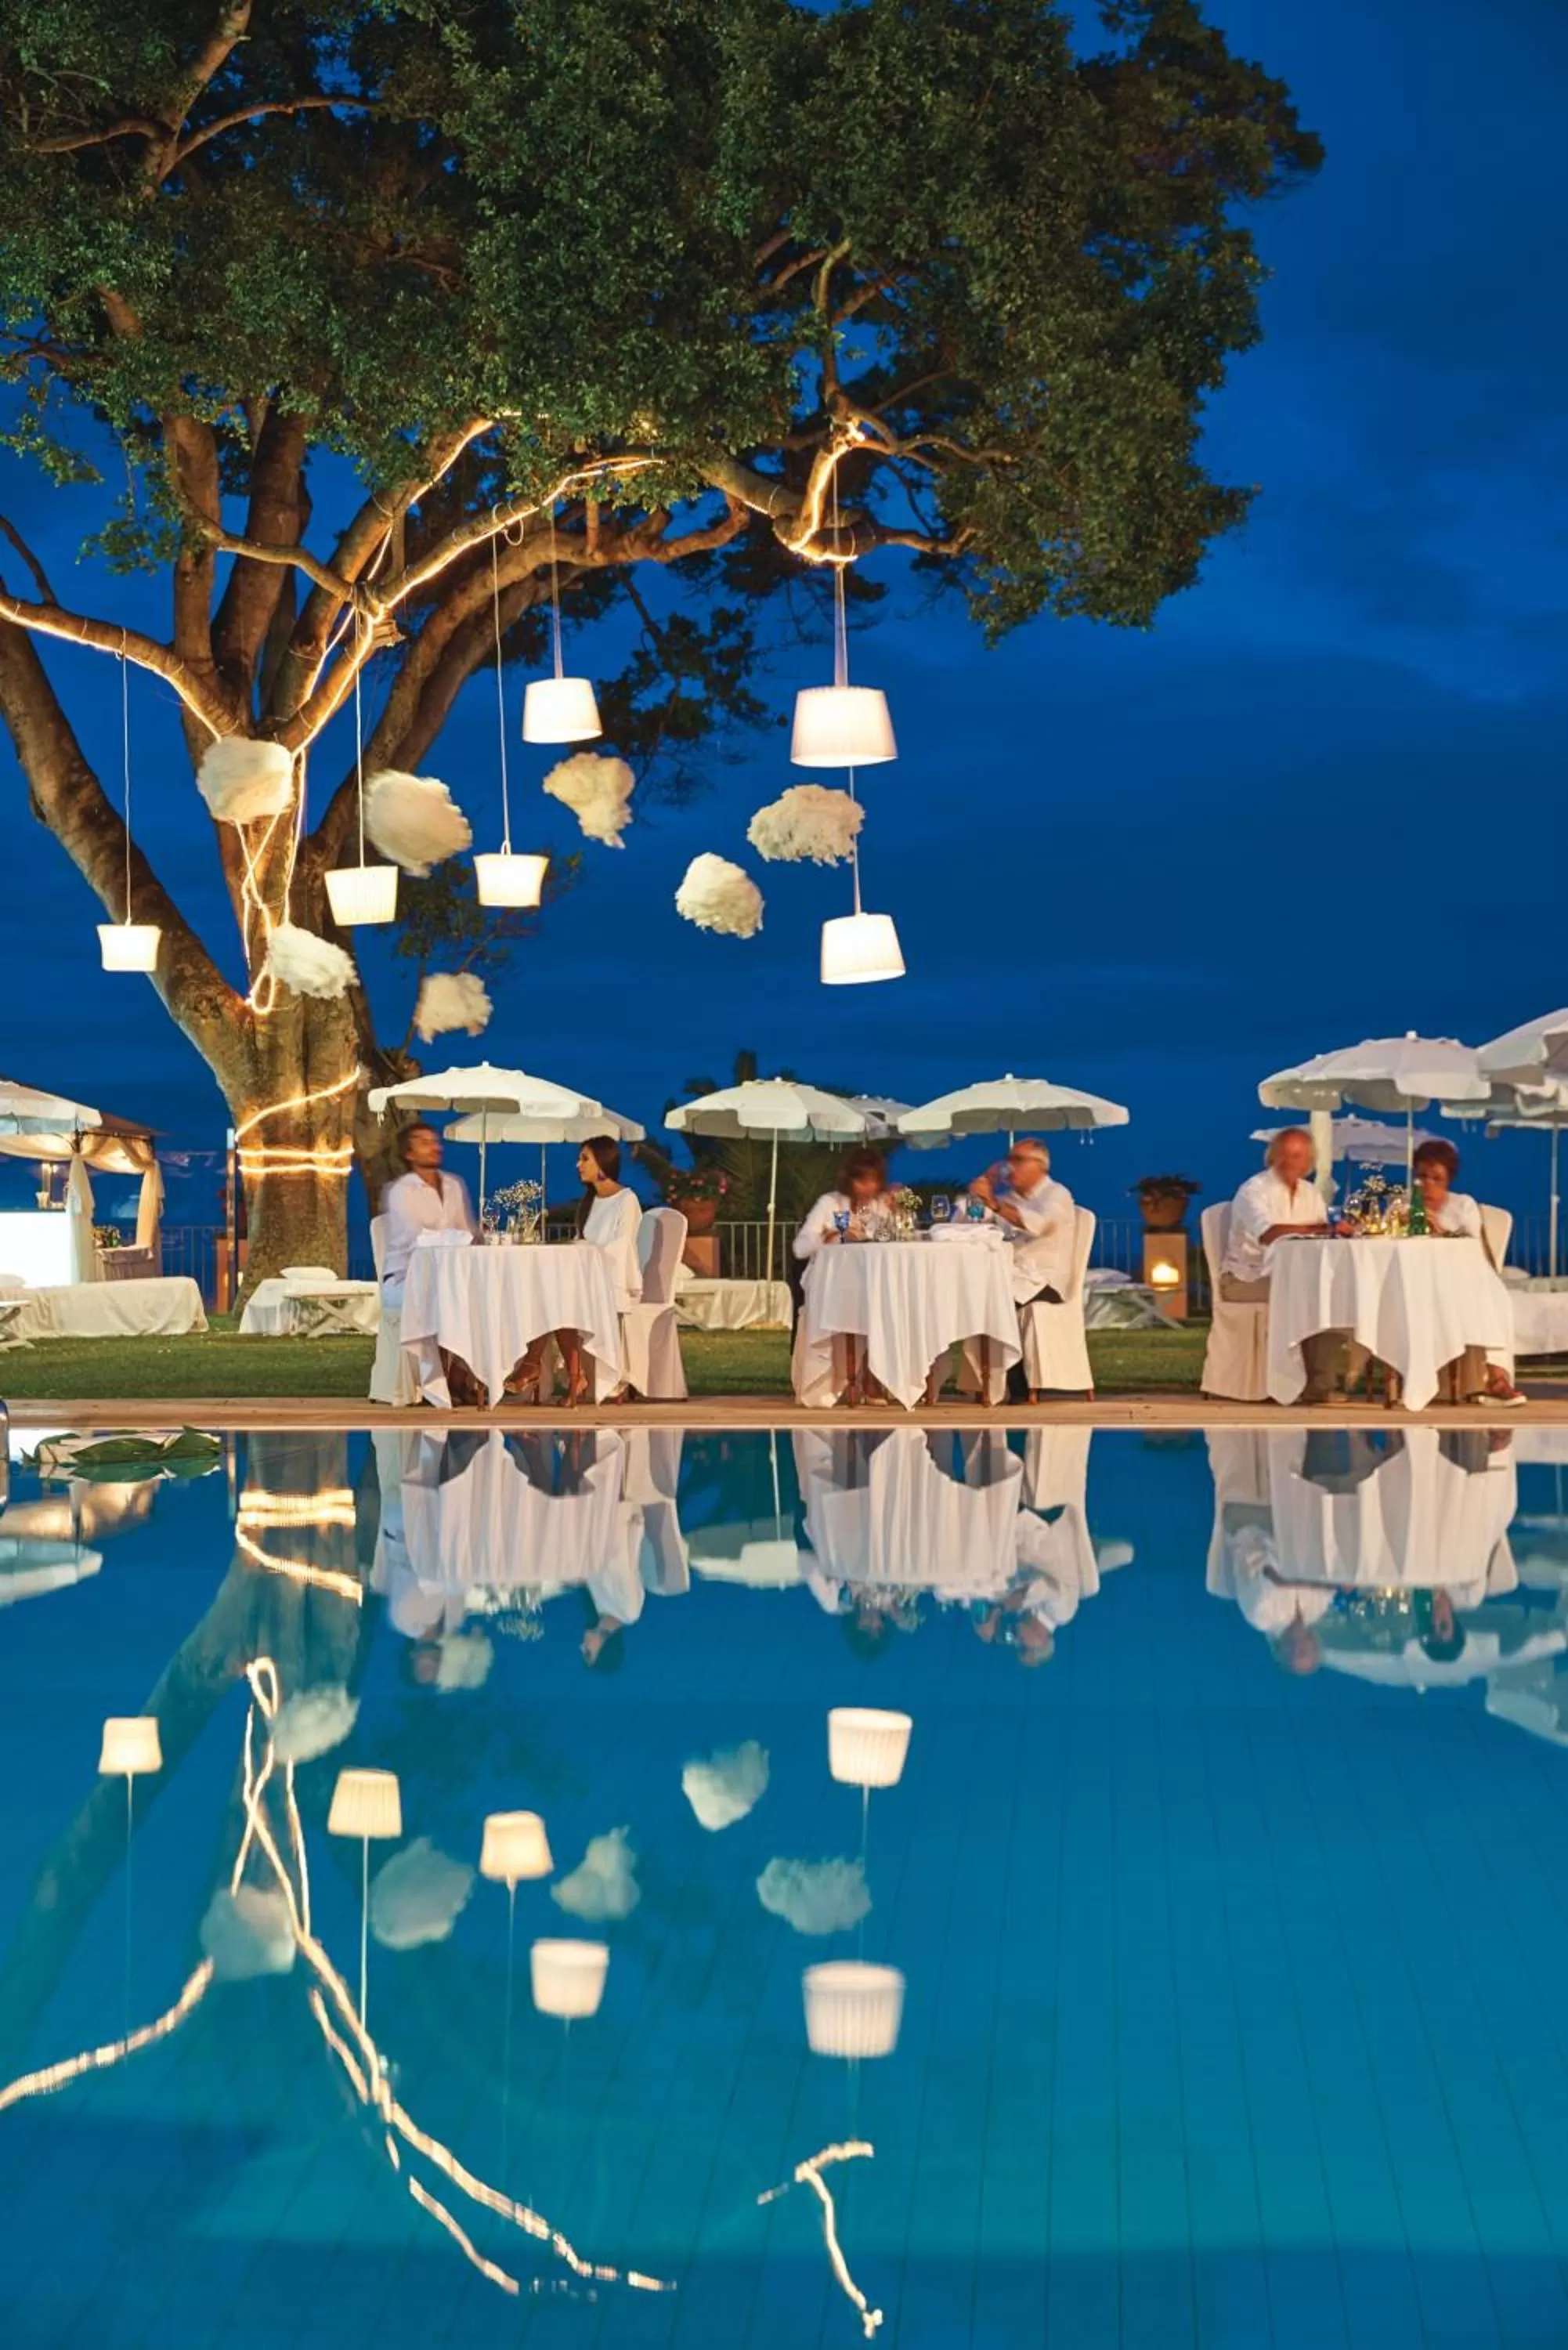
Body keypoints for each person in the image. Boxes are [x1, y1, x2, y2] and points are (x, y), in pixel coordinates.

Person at [1220, 1130, 1345, 1404]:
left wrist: (1335, 1230)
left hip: (1295, 1277)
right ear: (1273, 1157)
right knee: (1299, 1298)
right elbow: (1268, 1233)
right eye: (1285, 1154)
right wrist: (1321, 1228)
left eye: (1298, 1156)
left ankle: (1320, 1384)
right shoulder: (1254, 1190)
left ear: (1308, 1161)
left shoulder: (1310, 1193)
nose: (1290, 1161)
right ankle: (1288, 1385)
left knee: (1334, 1297)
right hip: (1246, 1278)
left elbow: (1325, 1235)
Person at [516, 1137, 642, 1407]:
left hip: (608, 1279)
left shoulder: (627, 1199)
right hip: (586, 1277)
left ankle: (534, 1365)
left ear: (603, 1162)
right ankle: (572, 1376)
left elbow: (622, 1245)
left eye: (585, 1159)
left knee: (556, 1301)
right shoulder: (590, 1202)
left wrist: (585, 1255)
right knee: (549, 1298)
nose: (578, 1165)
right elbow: (583, 1241)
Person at [1411, 1138, 1523, 1406]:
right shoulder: (1406, 1207)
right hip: (1419, 1281)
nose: (1428, 1184)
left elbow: (1473, 1247)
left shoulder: (1463, 1205)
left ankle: (1497, 1378)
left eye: (1436, 1178)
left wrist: (1440, 1229)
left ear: (1448, 1179)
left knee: (1494, 1297)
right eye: (1422, 1177)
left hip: (1462, 1278)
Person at [379, 1122, 480, 1404]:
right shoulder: (402, 1191)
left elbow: (467, 1230)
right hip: (406, 1276)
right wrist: (457, 1239)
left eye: (435, 1141)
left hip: (452, 1275)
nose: (434, 1147)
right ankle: (437, 1383)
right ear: (409, 1154)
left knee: (482, 1297)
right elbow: (416, 1238)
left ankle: (461, 1375)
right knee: (445, 1299)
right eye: (424, 1142)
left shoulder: (453, 1184)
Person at [968, 1138, 1076, 1402]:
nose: (1010, 1166)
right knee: (972, 1294)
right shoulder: (1011, 1198)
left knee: (995, 1300)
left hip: (1045, 1280)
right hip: (1012, 1275)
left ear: (1039, 1166)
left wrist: (993, 1202)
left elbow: (1037, 1225)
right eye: (1009, 1159)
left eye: (1017, 1160)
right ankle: (987, 1381)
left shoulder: (1056, 1195)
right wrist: (982, 1193)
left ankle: (1014, 1385)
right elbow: (972, 1222)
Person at [793, 1148, 893, 1404]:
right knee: (857, 1301)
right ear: (850, 1180)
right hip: (832, 1282)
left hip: (870, 1278)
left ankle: (874, 1376)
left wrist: (894, 1214)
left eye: (874, 1181)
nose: (868, 1187)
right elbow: (800, 1247)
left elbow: (889, 1240)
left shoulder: (880, 1207)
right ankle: (846, 1379)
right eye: (862, 1180)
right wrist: (826, 1236)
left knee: (886, 1301)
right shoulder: (830, 1203)